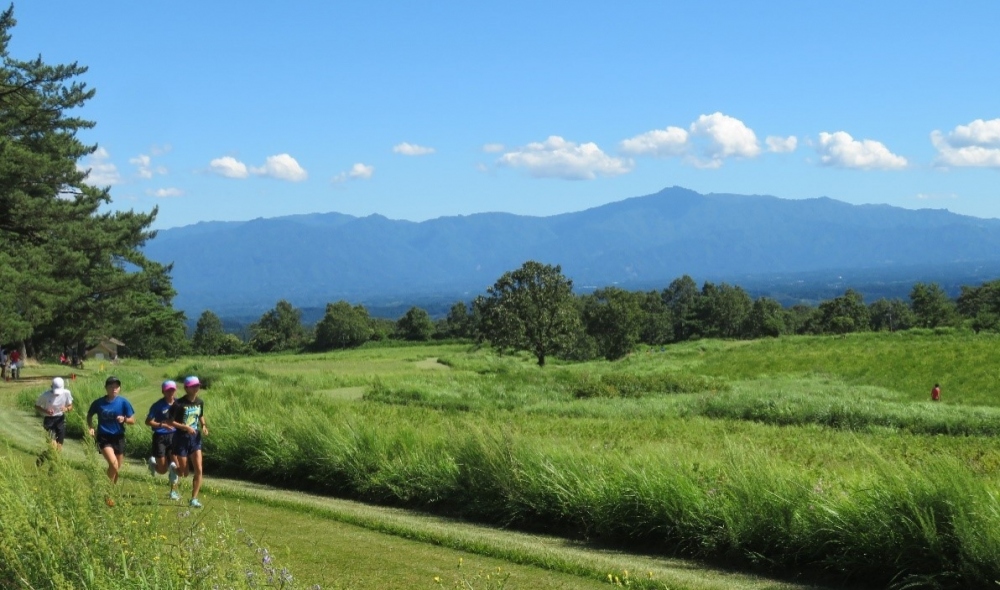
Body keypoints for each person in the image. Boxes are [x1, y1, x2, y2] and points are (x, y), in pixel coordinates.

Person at [86, 375, 135, 486]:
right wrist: (91, 427)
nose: (114, 388)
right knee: (114, 465)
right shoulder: (99, 403)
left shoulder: (124, 402)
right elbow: (89, 415)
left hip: (119, 437)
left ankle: (110, 491)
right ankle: (107, 491)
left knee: (117, 468)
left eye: (117, 386)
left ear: (119, 388)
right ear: (106, 388)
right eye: (111, 386)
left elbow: (133, 420)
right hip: (104, 437)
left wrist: (125, 419)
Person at [168, 375, 208, 508]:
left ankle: (194, 499)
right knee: (184, 473)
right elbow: (170, 422)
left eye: (198, 385)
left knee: (199, 469)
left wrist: (203, 426)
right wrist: (185, 427)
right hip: (181, 439)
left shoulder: (200, 402)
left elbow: (200, 415)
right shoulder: (178, 404)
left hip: (195, 438)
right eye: (193, 386)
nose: (197, 388)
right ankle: (174, 468)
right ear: (186, 388)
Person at [145, 380, 180, 500]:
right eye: (168, 390)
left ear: (176, 390)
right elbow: (148, 421)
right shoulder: (158, 405)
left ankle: (173, 492)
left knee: (175, 464)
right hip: (160, 437)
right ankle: (152, 464)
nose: (171, 392)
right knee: (162, 470)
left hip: (175, 436)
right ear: (163, 391)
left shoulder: (179, 404)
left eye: (173, 389)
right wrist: (162, 425)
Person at [34, 377, 74, 450]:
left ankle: (41, 460)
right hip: (49, 420)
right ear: (51, 387)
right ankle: (43, 460)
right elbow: (36, 406)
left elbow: (71, 406)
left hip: (60, 420)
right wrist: (46, 411)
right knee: (53, 446)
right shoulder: (45, 395)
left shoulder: (66, 393)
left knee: (59, 448)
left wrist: (66, 408)